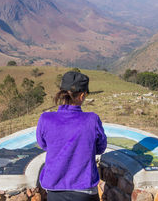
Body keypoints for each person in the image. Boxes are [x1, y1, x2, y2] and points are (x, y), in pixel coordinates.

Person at [36, 71, 107, 201]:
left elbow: (43, 145)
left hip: (54, 189)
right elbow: (101, 147)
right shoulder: (92, 119)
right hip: (85, 189)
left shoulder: (45, 119)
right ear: (82, 95)